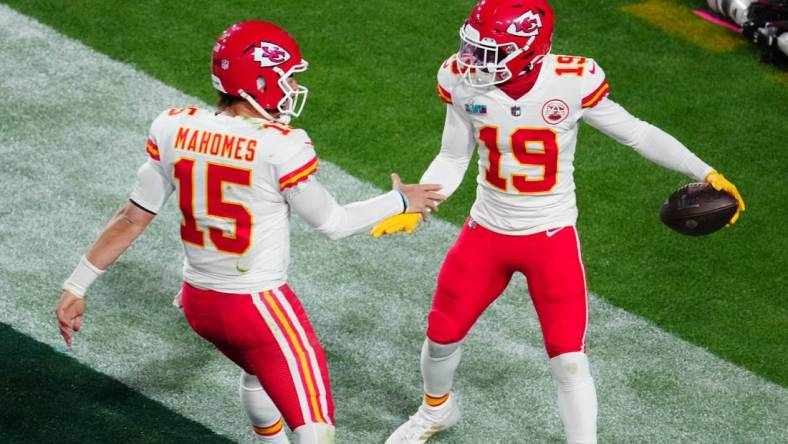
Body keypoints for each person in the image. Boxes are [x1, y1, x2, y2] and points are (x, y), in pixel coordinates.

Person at [54, 21, 444, 444]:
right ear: (257, 80)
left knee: (259, 372)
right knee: (316, 431)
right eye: (286, 77)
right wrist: (401, 200)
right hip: (256, 305)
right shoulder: (281, 145)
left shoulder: (173, 128)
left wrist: (77, 286)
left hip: (199, 302)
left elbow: (131, 217)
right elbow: (333, 223)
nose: (292, 86)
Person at [372, 1, 746, 443]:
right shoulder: (459, 78)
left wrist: (704, 172)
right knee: (440, 335)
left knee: (569, 357)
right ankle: (436, 410)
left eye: (489, 53)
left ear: (530, 52)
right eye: (473, 47)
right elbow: (454, 155)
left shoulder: (570, 81)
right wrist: (421, 200)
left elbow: (637, 132)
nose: (472, 61)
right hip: (486, 232)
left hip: (550, 238)